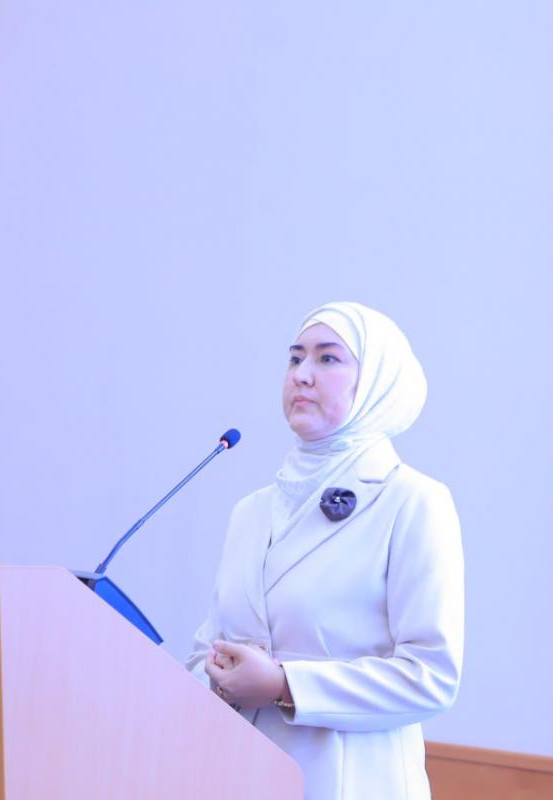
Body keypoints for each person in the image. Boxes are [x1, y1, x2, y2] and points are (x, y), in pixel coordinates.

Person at [186, 301, 464, 800]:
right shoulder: (251, 512)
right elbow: (208, 648)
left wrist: (284, 685)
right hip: (241, 777)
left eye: (328, 358)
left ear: (376, 381)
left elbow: (431, 677)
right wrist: (210, 675)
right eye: (295, 359)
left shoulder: (411, 501)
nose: (302, 374)